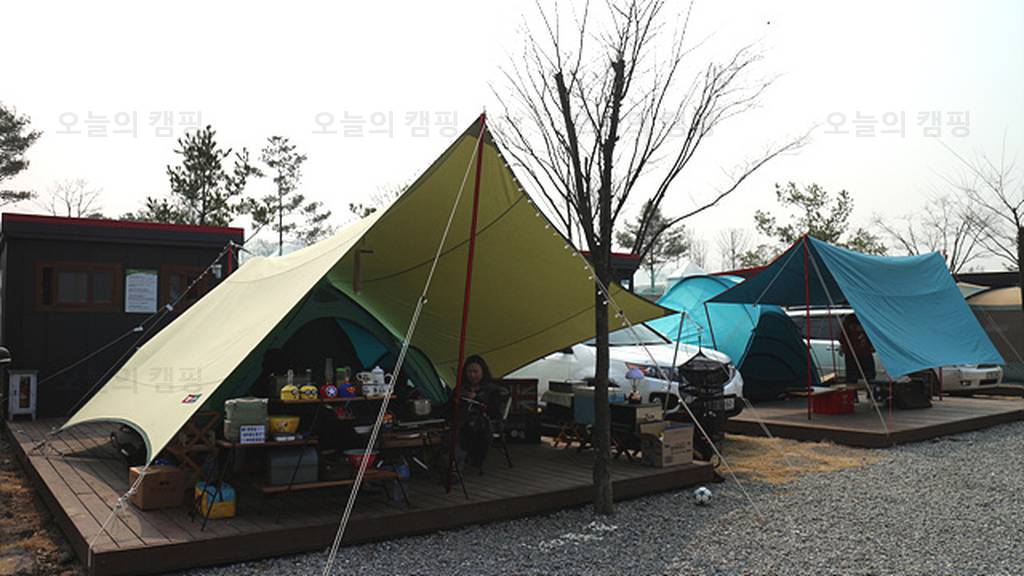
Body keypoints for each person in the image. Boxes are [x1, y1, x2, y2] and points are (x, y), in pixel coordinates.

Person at [455, 355, 508, 470]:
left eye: (475, 372)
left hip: (483, 424)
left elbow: (495, 412)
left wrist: (477, 399)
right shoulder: (462, 388)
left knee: (468, 429)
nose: (472, 375)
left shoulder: (492, 389)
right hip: (461, 420)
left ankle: (461, 462)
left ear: (482, 372)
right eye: (469, 372)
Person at [840, 314, 876, 383]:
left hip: (862, 353)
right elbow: (843, 337)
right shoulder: (850, 320)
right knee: (855, 376)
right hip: (854, 353)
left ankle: (867, 388)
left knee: (867, 376)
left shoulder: (866, 318)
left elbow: (842, 338)